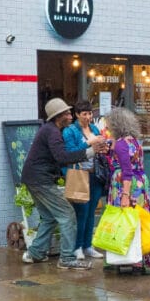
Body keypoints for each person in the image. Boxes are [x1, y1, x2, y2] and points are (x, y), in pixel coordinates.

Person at [20, 97, 105, 270]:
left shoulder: (51, 130)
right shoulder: (52, 132)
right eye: (67, 113)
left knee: (50, 217)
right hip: (41, 180)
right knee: (67, 215)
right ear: (58, 116)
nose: (70, 115)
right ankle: (66, 258)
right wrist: (90, 151)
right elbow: (63, 157)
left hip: (35, 179)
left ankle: (35, 253)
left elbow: (59, 157)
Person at [105, 106, 150, 271]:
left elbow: (126, 171)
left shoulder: (121, 144)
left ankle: (126, 257)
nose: (107, 128)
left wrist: (125, 194)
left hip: (125, 185)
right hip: (141, 183)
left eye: (109, 125)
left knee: (123, 221)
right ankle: (140, 257)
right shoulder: (134, 141)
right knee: (137, 220)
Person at [62, 100, 109, 260]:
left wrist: (104, 146)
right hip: (79, 175)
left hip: (95, 174)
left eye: (89, 114)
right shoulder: (70, 131)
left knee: (91, 213)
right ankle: (77, 247)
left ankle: (88, 245)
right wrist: (90, 142)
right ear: (77, 115)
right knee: (81, 212)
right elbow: (69, 152)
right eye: (84, 114)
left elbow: (99, 148)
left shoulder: (94, 128)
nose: (88, 117)